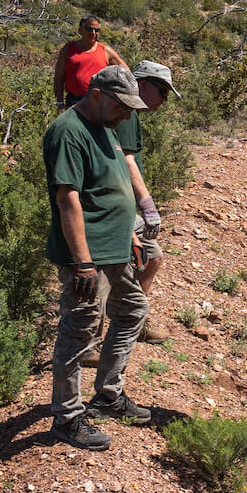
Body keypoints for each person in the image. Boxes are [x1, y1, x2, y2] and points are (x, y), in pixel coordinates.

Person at [45, 65, 152, 450]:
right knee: (79, 331)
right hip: (89, 257)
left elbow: (113, 186)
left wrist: (129, 233)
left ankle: (108, 393)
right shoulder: (68, 131)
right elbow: (68, 199)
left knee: (132, 311)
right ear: (96, 94)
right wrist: (83, 262)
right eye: (123, 105)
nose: (128, 113)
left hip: (115, 249)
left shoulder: (105, 126)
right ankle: (67, 416)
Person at [104, 60, 178, 345]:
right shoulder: (124, 115)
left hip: (122, 204)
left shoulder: (129, 114)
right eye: (162, 92)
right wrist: (146, 206)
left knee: (151, 256)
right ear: (143, 85)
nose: (164, 100)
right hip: (112, 206)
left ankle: (134, 320)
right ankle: (120, 325)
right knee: (116, 269)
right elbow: (125, 161)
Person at [51, 17, 127, 108]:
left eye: (97, 30)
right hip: (74, 101)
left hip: (99, 102)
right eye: (89, 29)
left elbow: (125, 72)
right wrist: (59, 101)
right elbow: (59, 77)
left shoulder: (105, 51)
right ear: (80, 29)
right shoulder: (68, 49)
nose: (93, 33)